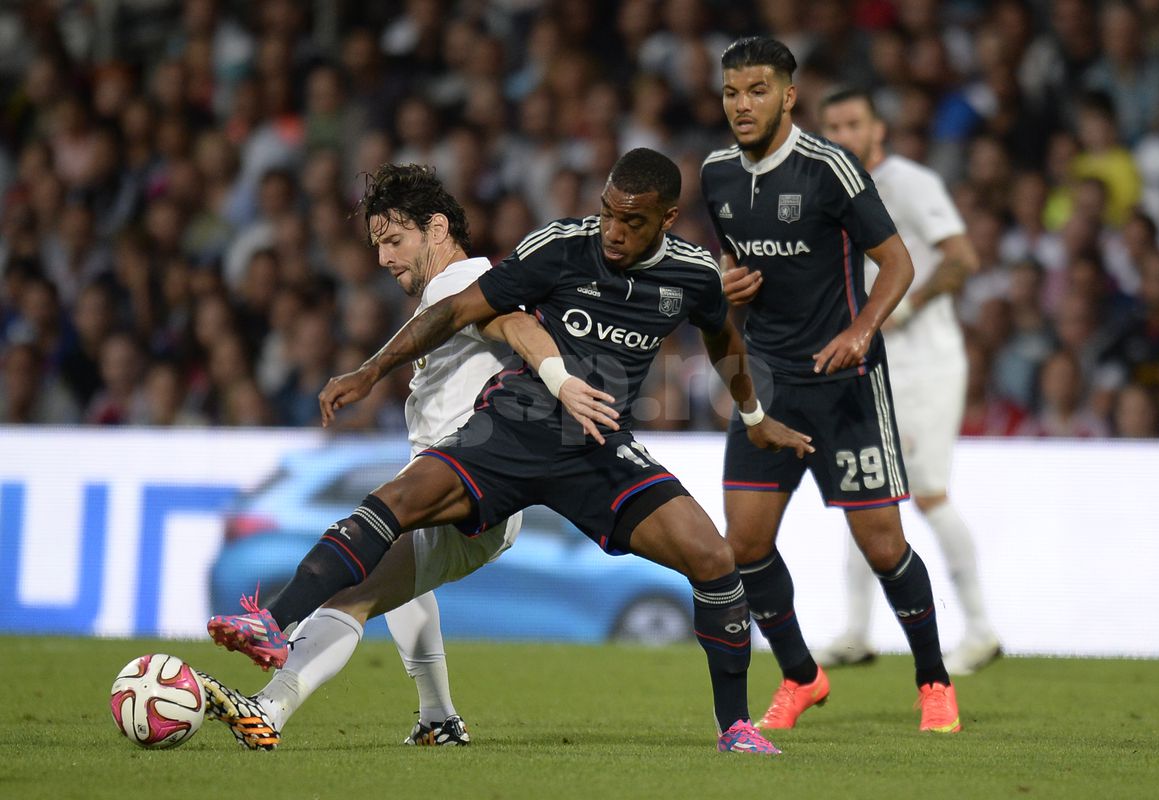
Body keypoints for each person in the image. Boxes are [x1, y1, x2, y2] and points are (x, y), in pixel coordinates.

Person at [203, 147, 814, 754]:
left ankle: (735, 727)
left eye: (632, 221)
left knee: (713, 557)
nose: (613, 231)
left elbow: (720, 336)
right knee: (392, 506)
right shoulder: (561, 245)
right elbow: (464, 310)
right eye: (608, 213)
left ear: (668, 219)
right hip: (510, 433)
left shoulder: (693, 273)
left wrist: (754, 416)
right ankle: (279, 627)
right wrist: (371, 371)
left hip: (596, 445)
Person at [699, 37, 961, 733]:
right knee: (743, 546)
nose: (742, 104)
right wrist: (728, 283)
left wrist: (864, 329)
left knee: (883, 547)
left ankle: (934, 681)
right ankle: (800, 676)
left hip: (845, 384)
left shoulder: (830, 168)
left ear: (789, 96)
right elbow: (732, 268)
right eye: (731, 92)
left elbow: (898, 261)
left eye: (757, 90)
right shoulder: (717, 175)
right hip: (767, 386)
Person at [816, 86, 1002, 675]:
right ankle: (854, 632)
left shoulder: (911, 183)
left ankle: (980, 630)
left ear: (879, 130)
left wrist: (906, 306)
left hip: (925, 362)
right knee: (863, 486)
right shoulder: (828, 192)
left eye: (854, 124)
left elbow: (963, 258)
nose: (844, 136)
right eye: (833, 127)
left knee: (926, 492)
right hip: (868, 362)